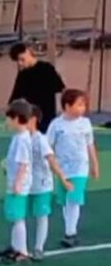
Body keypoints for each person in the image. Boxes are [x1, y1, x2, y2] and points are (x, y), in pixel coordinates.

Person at [46, 88, 100, 248]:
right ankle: (69, 228)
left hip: (80, 167)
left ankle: (70, 232)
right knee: (64, 200)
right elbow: (48, 145)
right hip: (62, 168)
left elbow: (90, 144)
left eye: (84, 105)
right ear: (67, 106)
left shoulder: (85, 123)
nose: (83, 108)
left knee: (74, 198)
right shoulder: (56, 125)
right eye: (79, 105)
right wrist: (50, 165)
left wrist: (94, 164)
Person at [28, 105, 69, 261]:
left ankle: (39, 248)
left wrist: (62, 178)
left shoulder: (40, 139)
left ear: (33, 120)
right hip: (26, 184)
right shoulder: (22, 138)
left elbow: (51, 160)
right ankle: (20, 247)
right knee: (21, 216)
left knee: (41, 215)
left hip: (42, 184)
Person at [9, 42, 65, 132]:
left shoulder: (47, 68)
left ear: (27, 52)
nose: (20, 63)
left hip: (47, 116)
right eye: (18, 61)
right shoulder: (23, 75)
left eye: (22, 59)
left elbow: (59, 88)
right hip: (29, 118)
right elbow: (15, 96)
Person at [3, 100, 34, 263]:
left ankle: (22, 251)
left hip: (19, 184)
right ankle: (16, 247)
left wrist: (18, 183)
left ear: (16, 118)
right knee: (15, 217)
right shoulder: (19, 137)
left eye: (9, 118)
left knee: (18, 217)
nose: (7, 122)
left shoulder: (22, 139)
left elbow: (23, 163)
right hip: (15, 180)